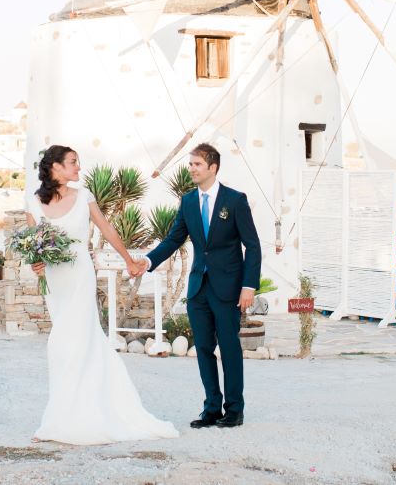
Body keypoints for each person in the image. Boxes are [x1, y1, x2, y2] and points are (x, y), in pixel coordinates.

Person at [27, 145, 178, 445]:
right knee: (61, 344)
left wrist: (129, 260)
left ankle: (88, 415)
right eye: (72, 163)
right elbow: (34, 242)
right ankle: (61, 416)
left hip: (79, 275)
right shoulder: (32, 202)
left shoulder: (84, 197)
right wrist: (35, 261)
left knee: (77, 340)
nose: (78, 169)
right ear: (55, 168)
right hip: (55, 280)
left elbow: (107, 229)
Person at [140, 142, 261, 430]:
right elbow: (173, 240)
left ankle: (234, 410)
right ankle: (211, 408)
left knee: (230, 348)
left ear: (212, 167)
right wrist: (146, 261)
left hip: (228, 287)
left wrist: (249, 286)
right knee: (204, 348)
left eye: (196, 164)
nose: (191, 169)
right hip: (198, 288)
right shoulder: (188, 202)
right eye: (190, 164)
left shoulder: (235, 200)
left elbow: (252, 246)